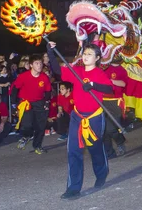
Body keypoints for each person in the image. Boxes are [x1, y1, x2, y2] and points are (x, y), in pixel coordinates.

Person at [47, 42, 114, 200]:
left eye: (89, 54)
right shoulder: (76, 71)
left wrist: (92, 85)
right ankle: (73, 188)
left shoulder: (99, 73)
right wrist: (50, 52)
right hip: (77, 118)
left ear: (97, 58)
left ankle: (102, 173)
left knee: (95, 149)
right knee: (73, 152)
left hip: (94, 118)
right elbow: (57, 71)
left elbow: (109, 88)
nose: (85, 56)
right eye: (84, 53)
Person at [11, 54, 52, 154]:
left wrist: (46, 102)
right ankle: (26, 136)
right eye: (36, 63)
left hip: (40, 103)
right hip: (26, 103)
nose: (39, 65)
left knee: (41, 126)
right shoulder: (23, 76)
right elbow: (15, 89)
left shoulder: (44, 77)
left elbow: (48, 91)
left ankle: (37, 146)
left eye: (41, 63)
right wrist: (14, 103)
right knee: (26, 125)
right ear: (31, 65)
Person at [102, 57, 128, 158]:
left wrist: (110, 81)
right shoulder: (104, 67)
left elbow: (124, 83)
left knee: (112, 128)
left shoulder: (122, 70)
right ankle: (109, 153)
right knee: (104, 129)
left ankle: (120, 142)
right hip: (102, 101)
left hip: (116, 101)